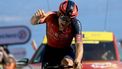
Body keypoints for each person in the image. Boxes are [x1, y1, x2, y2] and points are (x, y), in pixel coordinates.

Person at [31, 0, 83, 69]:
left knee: (68, 63)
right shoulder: (50, 16)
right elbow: (33, 22)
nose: (65, 23)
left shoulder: (76, 24)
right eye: (64, 18)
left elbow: (79, 44)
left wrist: (78, 60)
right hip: (50, 50)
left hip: (66, 50)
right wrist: (36, 17)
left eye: (68, 21)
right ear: (58, 14)